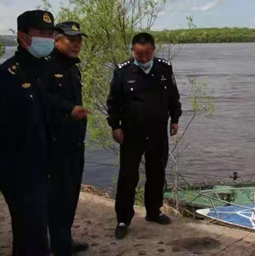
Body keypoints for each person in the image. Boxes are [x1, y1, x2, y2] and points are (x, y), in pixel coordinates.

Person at [0, 10, 56, 256]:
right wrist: (4, 174)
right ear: (23, 36)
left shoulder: (46, 69)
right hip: (19, 173)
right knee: (30, 235)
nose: (47, 38)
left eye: (50, 33)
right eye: (41, 32)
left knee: (37, 232)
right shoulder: (5, 76)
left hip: (44, 167)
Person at [107, 32, 182, 239]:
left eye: (147, 54)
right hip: (132, 133)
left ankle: (154, 211)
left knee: (157, 172)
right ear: (133, 51)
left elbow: (173, 96)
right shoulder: (123, 71)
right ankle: (123, 219)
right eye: (139, 54)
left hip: (158, 131)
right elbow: (113, 102)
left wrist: (175, 118)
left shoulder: (164, 69)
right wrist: (115, 126)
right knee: (128, 176)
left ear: (153, 50)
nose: (143, 58)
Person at [45, 22, 90, 255]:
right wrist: (68, 109)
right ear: (56, 40)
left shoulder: (73, 67)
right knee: (58, 196)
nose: (76, 44)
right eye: (71, 40)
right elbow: (41, 98)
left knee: (70, 194)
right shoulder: (46, 66)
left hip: (74, 142)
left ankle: (63, 241)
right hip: (56, 144)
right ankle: (57, 244)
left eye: (79, 40)